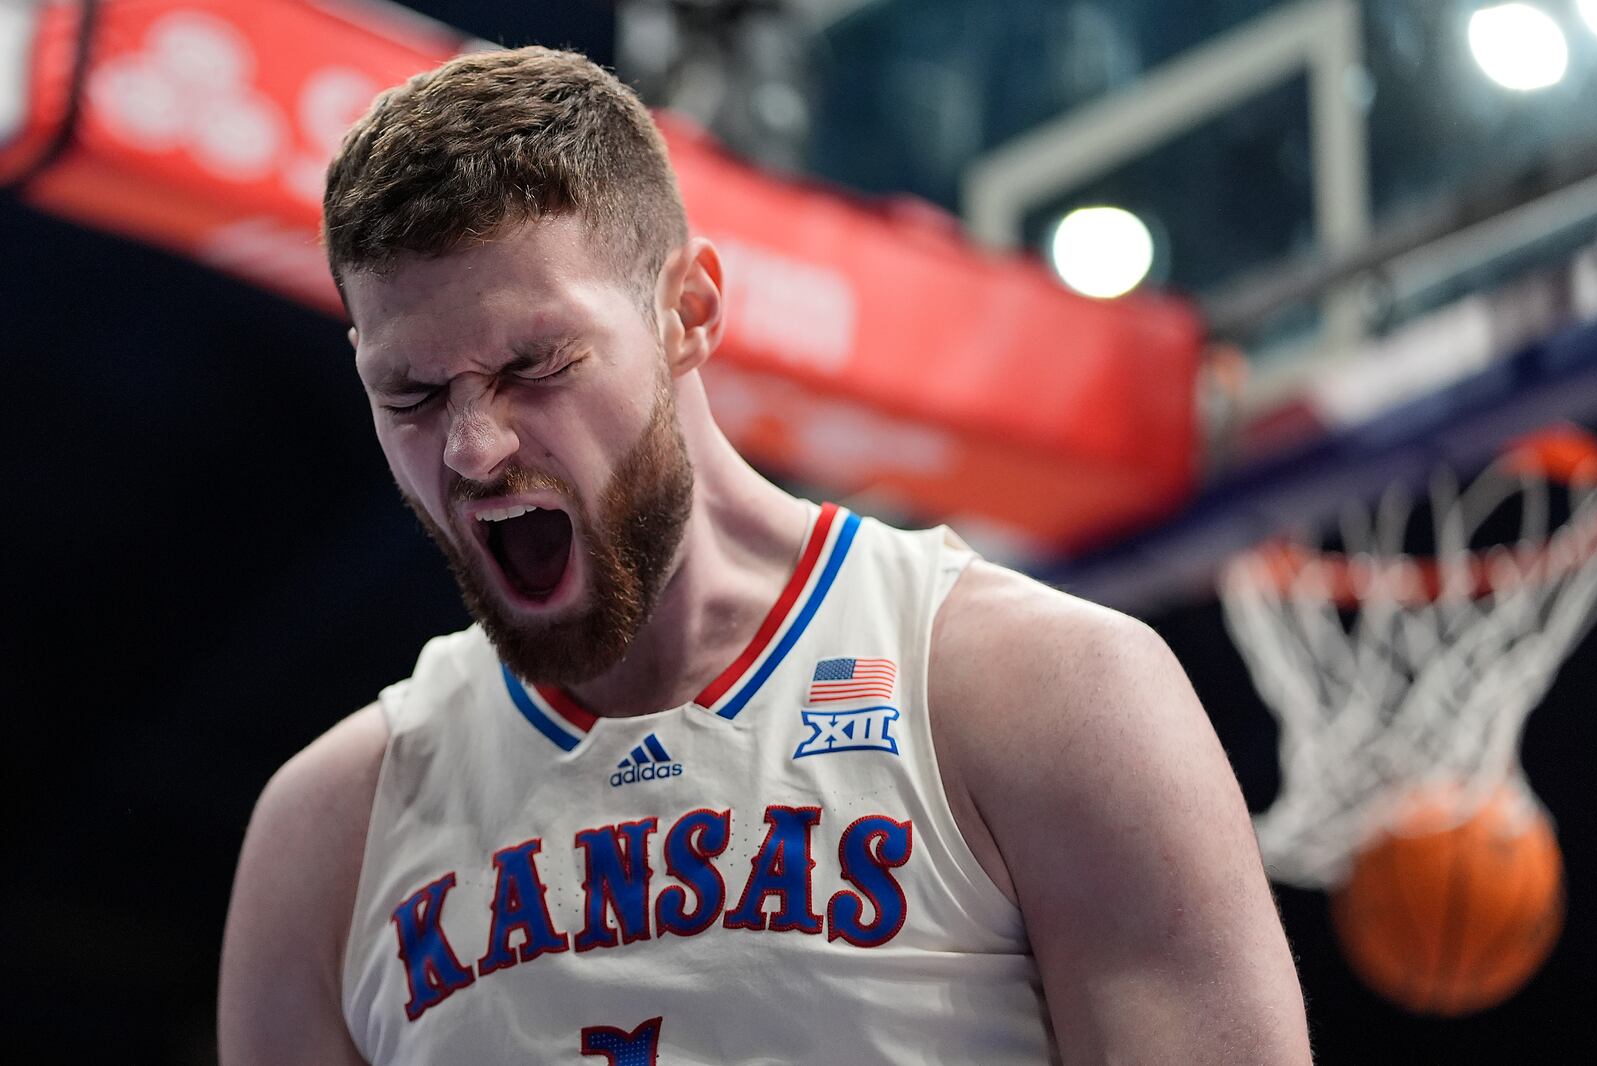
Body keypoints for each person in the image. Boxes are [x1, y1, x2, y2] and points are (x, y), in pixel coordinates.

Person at [218, 46, 1312, 1066]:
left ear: (687, 310)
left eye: (534, 364)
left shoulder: (1036, 693)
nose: (472, 446)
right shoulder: (326, 840)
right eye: (409, 393)